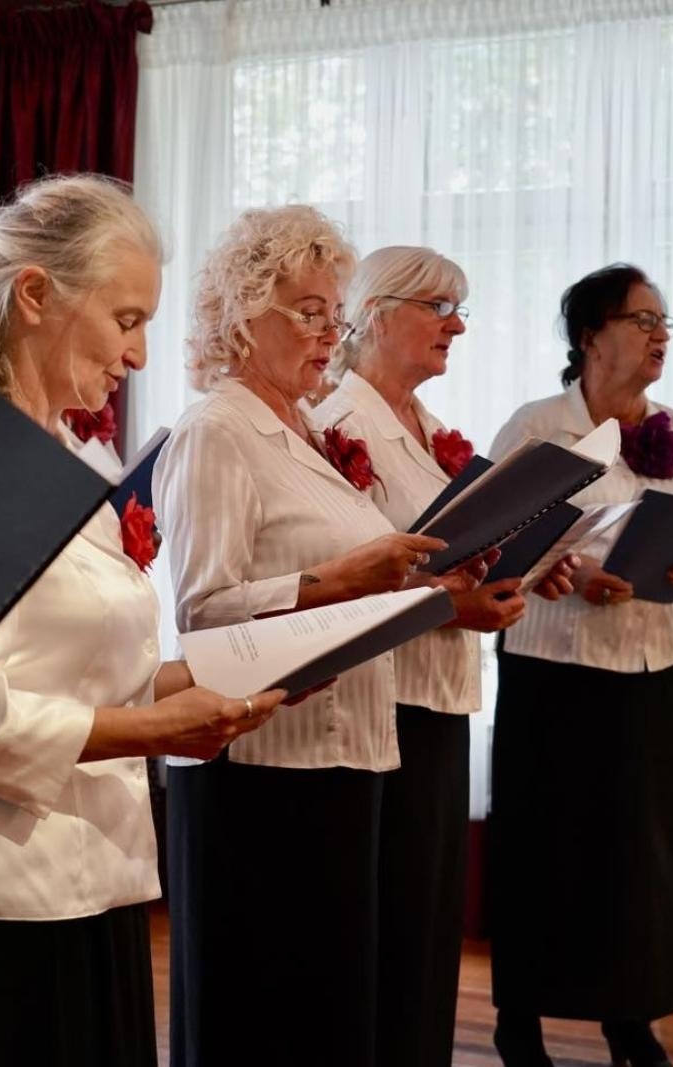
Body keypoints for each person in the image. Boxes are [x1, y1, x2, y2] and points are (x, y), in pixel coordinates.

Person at [0, 173, 288, 1067]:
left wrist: (231, 674)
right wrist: (153, 725)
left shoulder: (74, 451)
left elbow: (90, 662)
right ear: (34, 296)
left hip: (93, 875)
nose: (139, 356)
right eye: (127, 319)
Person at [155, 206, 485, 1067]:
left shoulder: (307, 432)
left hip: (347, 758)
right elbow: (201, 614)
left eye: (332, 313)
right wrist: (338, 580)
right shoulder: (217, 430)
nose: (326, 333)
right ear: (239, 314)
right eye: (306, 311)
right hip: (261, 773)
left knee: (333, 1018)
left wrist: (417, 589)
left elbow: (341, 586)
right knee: (264, 1019)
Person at [312, 245, 576, 1067]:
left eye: (461, 308)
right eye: (439, 307)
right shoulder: (334, 427)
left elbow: (447, 551)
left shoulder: (429, 434)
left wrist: (527, 558)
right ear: (377, 314)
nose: (457, 325)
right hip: (381, 702)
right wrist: (451, 600)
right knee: (389, 931)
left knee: (429, 929)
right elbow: (341, 580)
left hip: (440, 696)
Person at [488, 264, 673, 1067]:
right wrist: (577, 574)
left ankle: (633, 1014)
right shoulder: (535, 428)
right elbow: (497, 545)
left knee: (650, 852)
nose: (659, 336)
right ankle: (519, 1016)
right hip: (561, 665)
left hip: (666, 662)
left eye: (666, 323)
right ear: (590, 334)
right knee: (549, 845)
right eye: (642, 319)